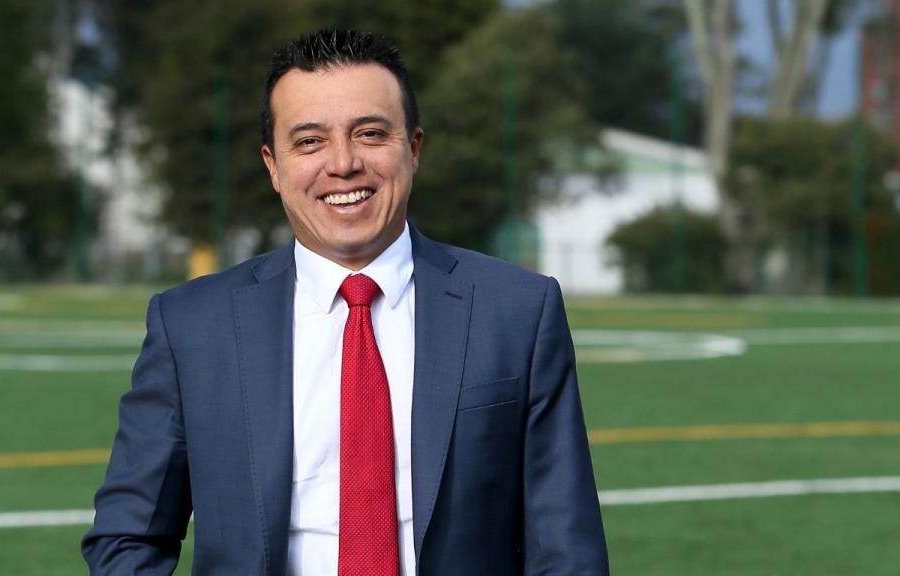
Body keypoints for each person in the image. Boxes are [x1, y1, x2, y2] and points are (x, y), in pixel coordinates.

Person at [83, 29, 609, 575]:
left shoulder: (518, 311)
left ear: (415, 148)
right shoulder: (192, 325)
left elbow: (566, 547)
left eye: (371, 133)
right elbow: (128, 538)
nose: (343, 164)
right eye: (309, 141)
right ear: (273, 166)